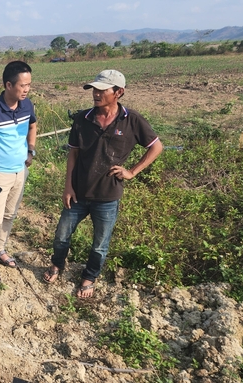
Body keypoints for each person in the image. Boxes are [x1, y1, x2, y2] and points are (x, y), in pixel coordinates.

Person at [42, 69, 163, 298]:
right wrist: (68, 186)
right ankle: (57, 264)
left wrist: (132, 171)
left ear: (118, 92)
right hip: (78, 192)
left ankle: (89, 277)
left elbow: (156, 147)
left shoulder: (131, 120)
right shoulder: (83, 118)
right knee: (61, 235)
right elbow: (73, 155)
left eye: (101, 90)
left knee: (100, 244)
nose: (95, 94)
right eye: (94, 89)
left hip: (107, 196)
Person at [0, 61, 38, 282]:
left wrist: (31, 150)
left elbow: (32, 125)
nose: (27, 89)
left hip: (19, 171)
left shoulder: (27, 105)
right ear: (8, 85)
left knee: (10, 214)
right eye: (23, 85)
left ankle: (0, 249)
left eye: (29, 85)